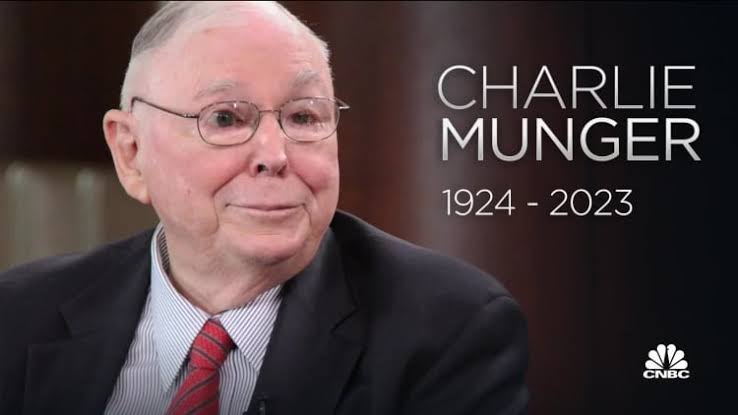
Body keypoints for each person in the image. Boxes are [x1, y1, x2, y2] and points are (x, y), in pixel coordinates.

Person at [0, 2, 528, 414]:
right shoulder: (18, 317)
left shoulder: (449, 330)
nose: (275, 155)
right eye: (225, 119)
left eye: (303, 117)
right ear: (131, 152)